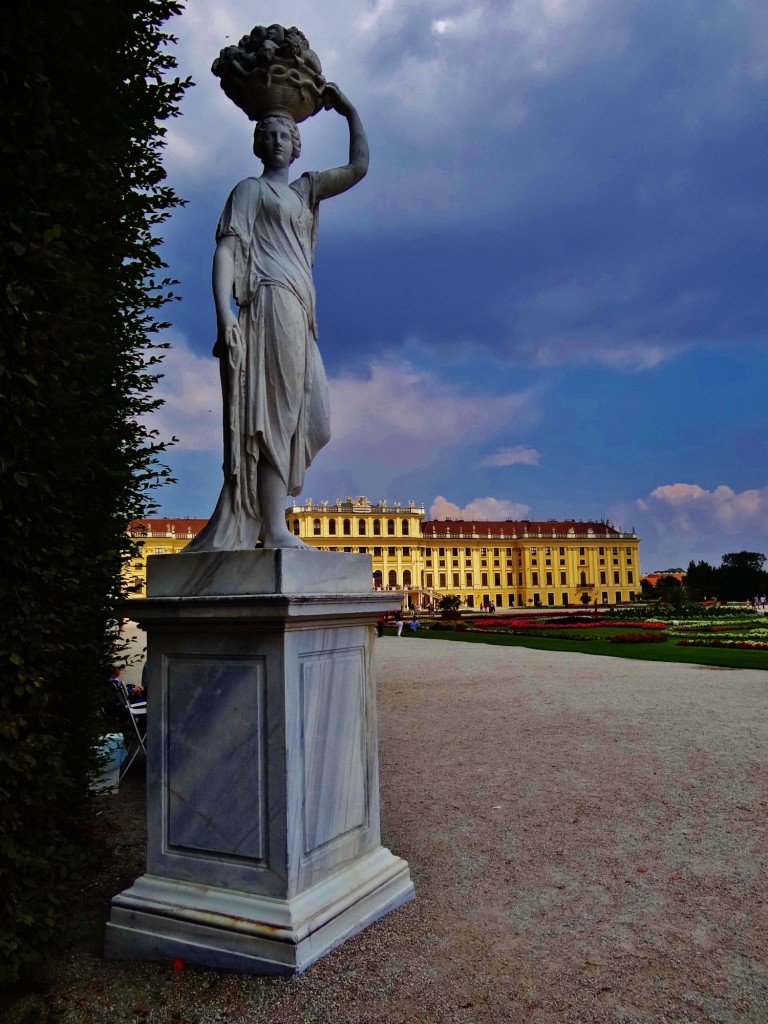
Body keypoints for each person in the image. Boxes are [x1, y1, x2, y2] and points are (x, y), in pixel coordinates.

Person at [184, 85, 369, 552]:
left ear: (297, 142)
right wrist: (224, 311)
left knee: (314, 419)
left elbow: (358, 168)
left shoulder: (306, 191)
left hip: (301, 315)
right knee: (275, 416)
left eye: (285, 134)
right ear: (258, 144)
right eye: (268, 134)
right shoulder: (249, 191)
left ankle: (273, 523)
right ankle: (274, 526)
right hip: (269, 304)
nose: (278, 140)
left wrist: (348, 112)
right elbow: (226, 250)